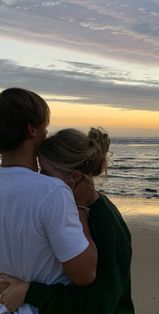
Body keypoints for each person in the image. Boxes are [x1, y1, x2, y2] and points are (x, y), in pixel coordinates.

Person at [0, 128, 135, 314]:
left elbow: (98, 305)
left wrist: (29, 292)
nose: (40, 178)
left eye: (45, 171)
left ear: (74, 178)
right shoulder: (65, 213)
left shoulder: (107, 225)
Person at [0, 88, 97, 314]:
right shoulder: (51, 192)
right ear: (31, 129)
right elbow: (85, 274)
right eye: (44, 126)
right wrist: (81, 207)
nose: (46, 133)